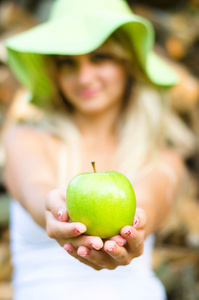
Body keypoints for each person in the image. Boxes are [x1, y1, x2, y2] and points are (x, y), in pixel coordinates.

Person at [3, 0, 191, 299]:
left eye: (100, 58)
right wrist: (54, 211)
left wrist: (133, 230)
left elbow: (148, 207)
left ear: (127, 64)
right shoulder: (25, 139)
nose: (85, 77)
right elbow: (35, 189)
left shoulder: (163, 159)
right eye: (68, 62)